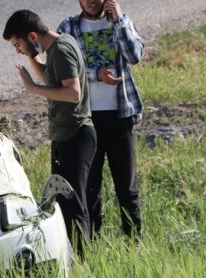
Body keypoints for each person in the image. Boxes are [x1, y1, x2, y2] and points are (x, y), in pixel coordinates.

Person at [3, 10, 96, 253]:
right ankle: (74, 257)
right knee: (65, 203)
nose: (17, 50)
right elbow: (53, 79)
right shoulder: (56, 49)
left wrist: (32, 88)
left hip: (76, 134)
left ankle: (82, 262)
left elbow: (72, 93)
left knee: (73, 204)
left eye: (18, 44)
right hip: (67, 136)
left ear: (32, 35)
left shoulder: (62, 50)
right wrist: (32, 59)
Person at [58, 0, 143, 239]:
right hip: (85, 120)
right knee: (90, 186)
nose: (92, 1)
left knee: (127, 187)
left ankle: (134, 243)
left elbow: (134, 56)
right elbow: (66, 70)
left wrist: (118, 21)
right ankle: (92, 245)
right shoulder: (68, 28)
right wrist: (98, 75)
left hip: (120, 115)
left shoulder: (122, 23)